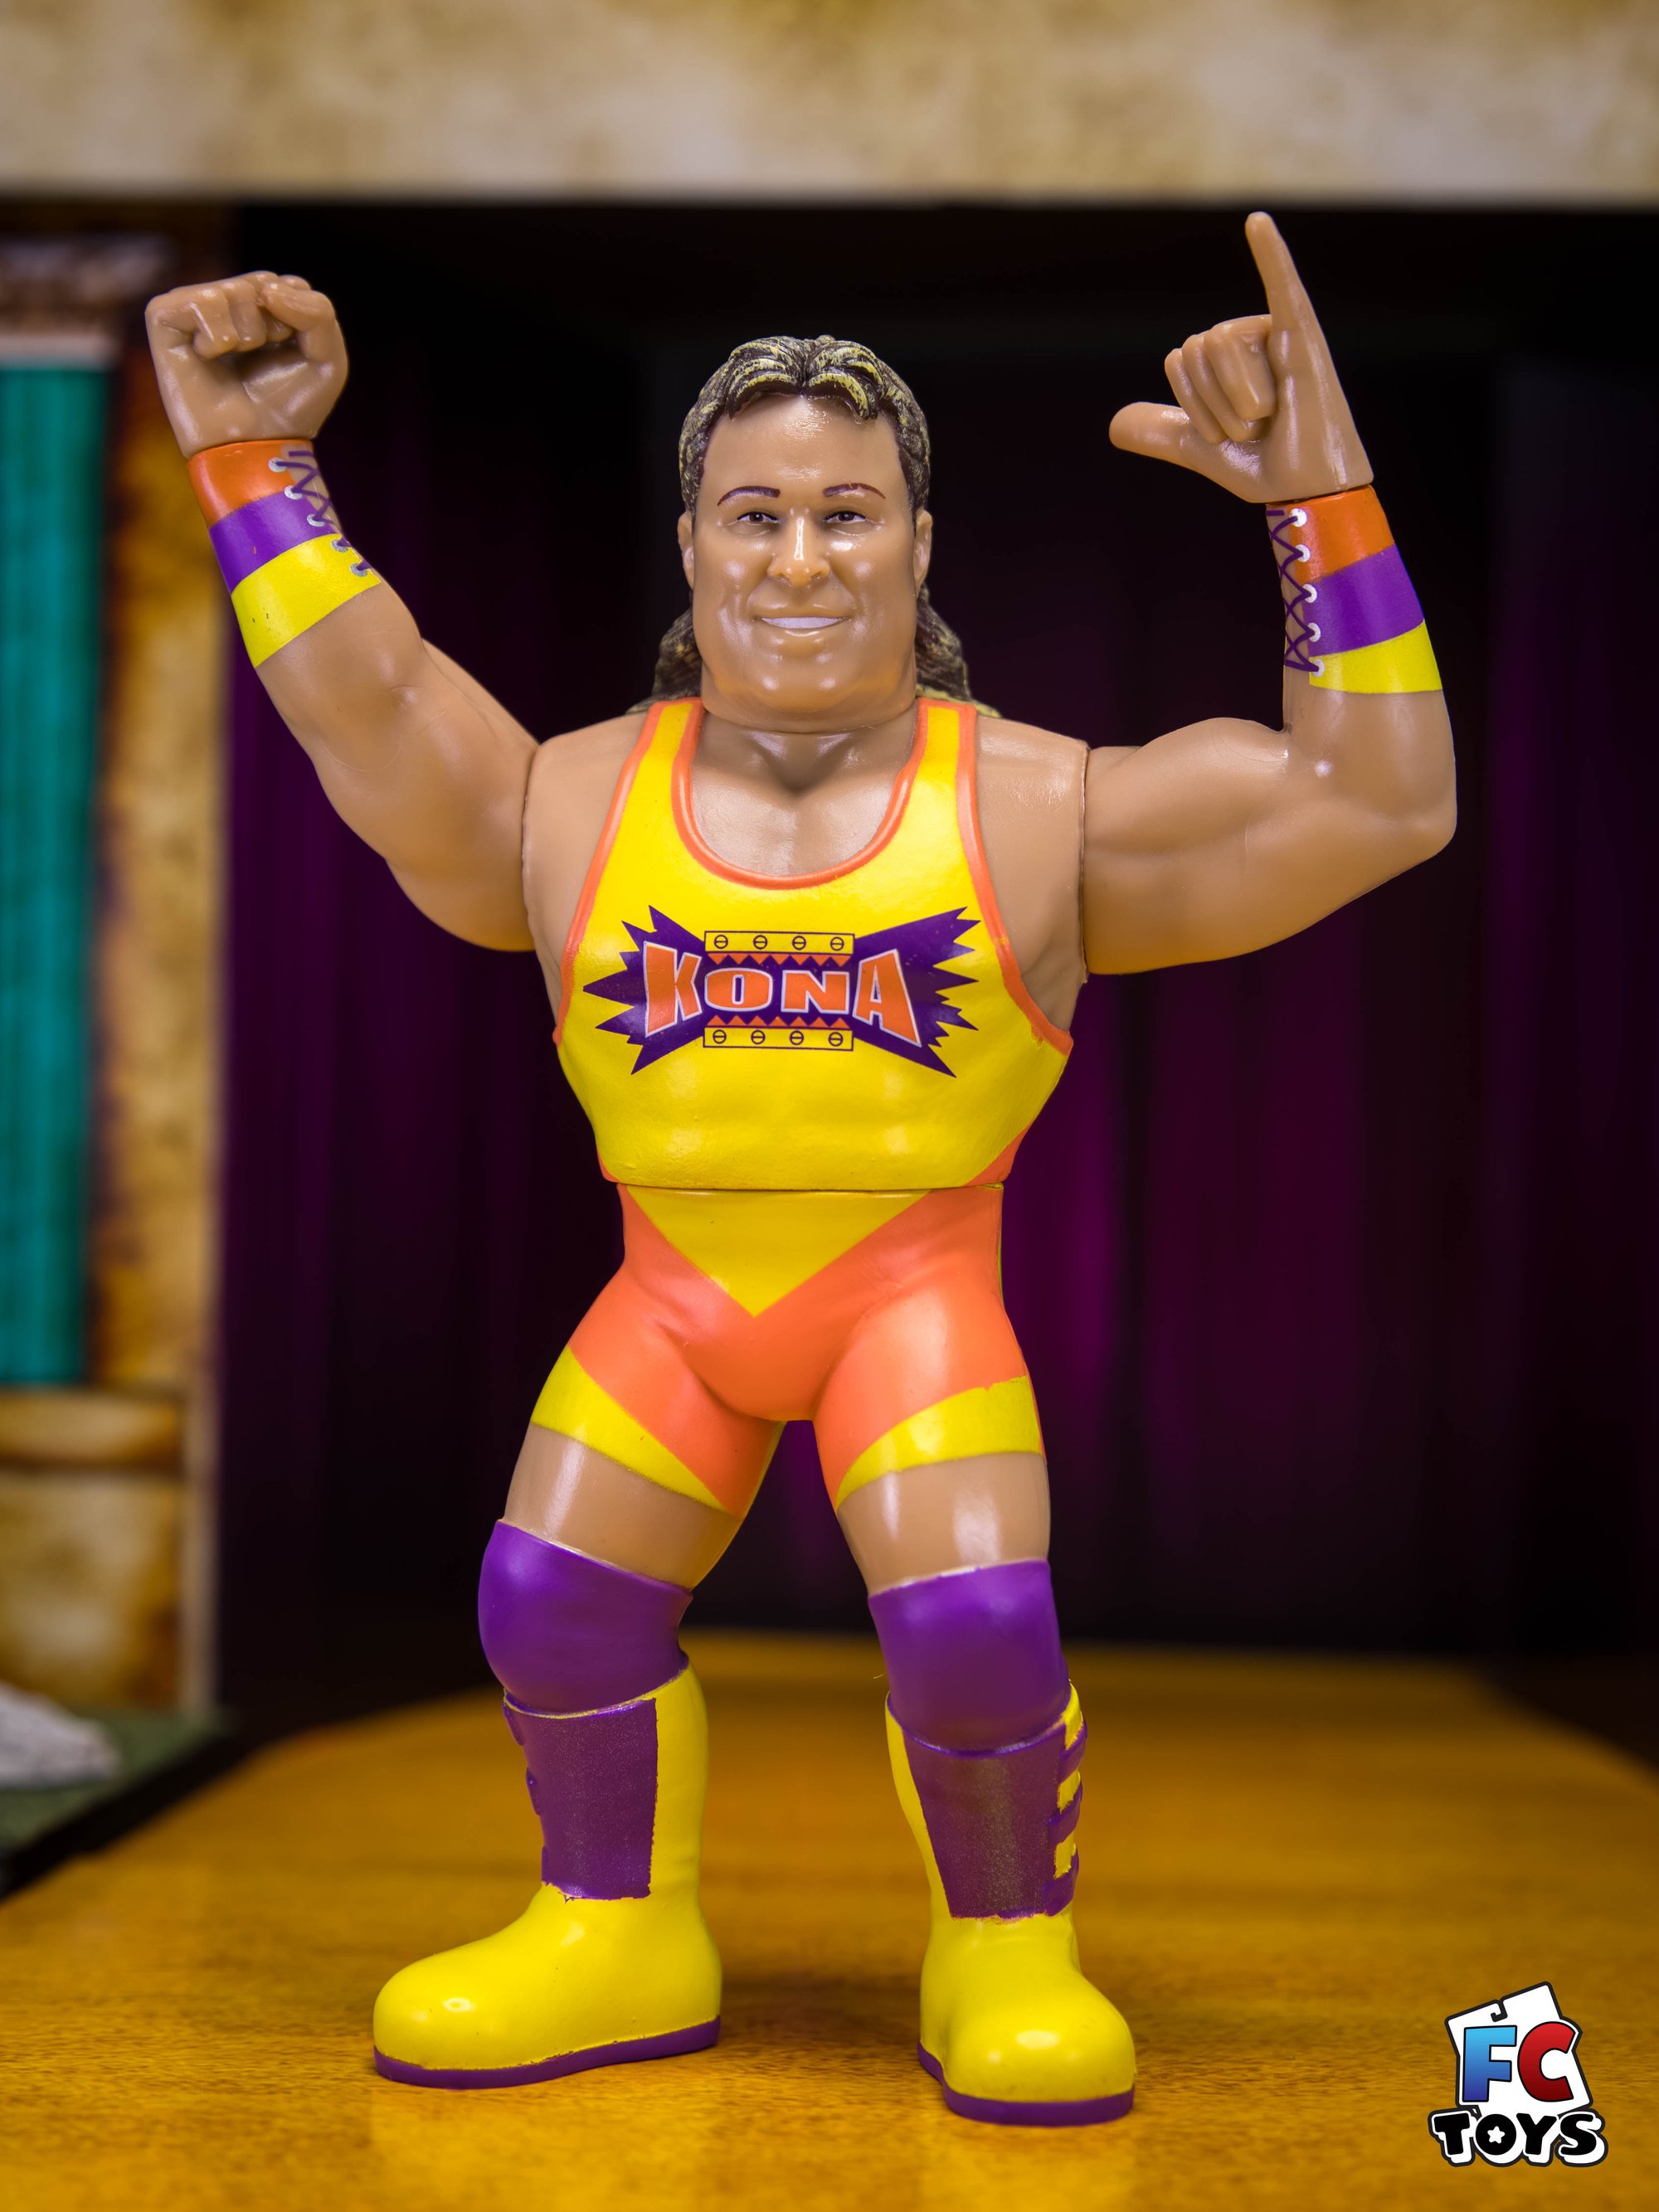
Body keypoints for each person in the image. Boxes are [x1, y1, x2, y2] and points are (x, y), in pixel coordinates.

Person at [147, 213, 1454, 2126]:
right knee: (548, 1603)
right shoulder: (566, 794)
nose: (799, 557)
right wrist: (254, 463)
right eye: (753, 515)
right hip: (673, 1298)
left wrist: (1320, 504)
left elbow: (1376, 800)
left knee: (976, 1625)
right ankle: (610, 1923)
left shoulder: (1033, 800)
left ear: (921, 542)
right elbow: (374, 699)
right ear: (688, 544)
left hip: (907, 1298)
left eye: (847, 514)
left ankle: (1006, 1943)